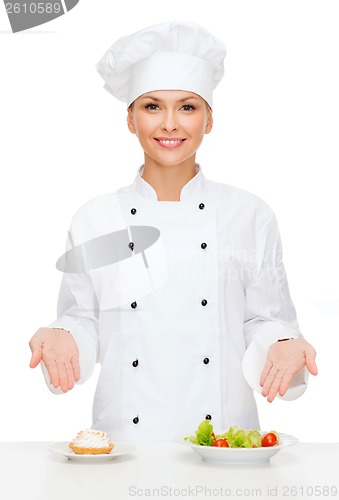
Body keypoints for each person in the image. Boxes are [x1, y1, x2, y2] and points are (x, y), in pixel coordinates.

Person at [29, 21, 317, 442]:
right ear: (129, 119)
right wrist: (62, 334)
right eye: (151, 107)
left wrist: (283, 343)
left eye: (187, 107)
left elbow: (264, 320)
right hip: (123, 442)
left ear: (209, 119)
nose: (169, 124)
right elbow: (83, 318)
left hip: (224, 441)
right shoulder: (95, 218)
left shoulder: (249, 214)